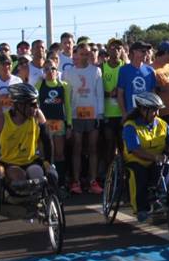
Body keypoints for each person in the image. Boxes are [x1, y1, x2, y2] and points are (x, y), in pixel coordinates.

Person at [0, 83, 56, 191]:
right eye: (32, 104)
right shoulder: (0, 121)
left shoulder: (37, 115)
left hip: (30, 161)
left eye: (36, 103)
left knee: (39, 176)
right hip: (7, 163)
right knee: (19, 178)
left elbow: (47, 140)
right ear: (19, 105)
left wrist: (50, 165)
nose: (36, 107)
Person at [121, 92, 169, 223]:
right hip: (136, 160)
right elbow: (135, 149)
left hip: (157, 160)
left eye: (157, 110)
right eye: (153, 110)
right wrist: (154, 157)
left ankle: (163, 199)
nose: (157, 114)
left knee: (166, 169)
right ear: (142, 110)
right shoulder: (130, 126)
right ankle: (141, 208)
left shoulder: (162, 124)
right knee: (139, 174)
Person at [64, 43, 104, 194]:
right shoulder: (68, 72)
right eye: (81, 54)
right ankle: (76, 181)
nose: (84, 57)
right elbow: (67, 96)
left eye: (87, 54)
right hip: (75, 115)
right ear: (76, 55)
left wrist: (100, 114)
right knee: (77, 148)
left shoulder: (96, 71)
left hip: (92, 115)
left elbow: (99, 93)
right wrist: (68, 117)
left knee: (93, 148)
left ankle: (93, 181)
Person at [38, 61, 73, 187]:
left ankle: (60, 184)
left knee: (59, 154)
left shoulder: (63, 85)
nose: (50, 71)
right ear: (43, 71)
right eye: (47, 69)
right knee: (43, 155)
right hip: (44, 124)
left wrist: (69, 125)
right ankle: (44, 184)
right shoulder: (39, 84)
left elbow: (68, 107)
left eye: (53, 68)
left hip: (59, 123)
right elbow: (35, 107)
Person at [100, 39, 125, 171]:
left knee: (123, 146)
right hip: (108, 113)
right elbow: (96, 91)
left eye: (118, 48)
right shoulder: (102, 67)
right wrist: (108, 94)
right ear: (108, 50)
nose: (115, 50)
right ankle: (109, 174)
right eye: (113, 48)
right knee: (109, 145)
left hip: (123, 113)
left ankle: (125, 174)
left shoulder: (125, 67)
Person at [116, 41, 156, 117]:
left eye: (147, 51)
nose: (146, 54)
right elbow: (120, 94)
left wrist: (155, 111)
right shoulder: (124, 70)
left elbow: (153, 93)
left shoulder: (150, 70)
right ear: (134, 52)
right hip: (131, 113)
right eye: (143, 51)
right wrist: (124, 113)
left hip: (147, 113)